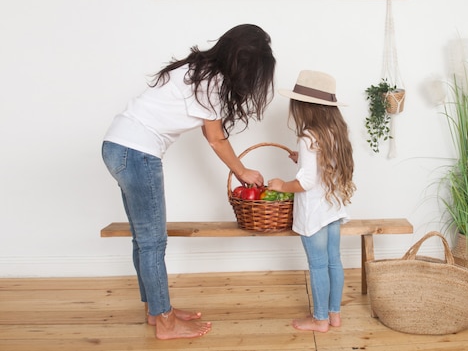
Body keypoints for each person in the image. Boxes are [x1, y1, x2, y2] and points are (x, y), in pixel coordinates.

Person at [101, 24, 276, 340]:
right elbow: (215, 138)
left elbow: (210, 131)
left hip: (117, 146)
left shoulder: (198, 70)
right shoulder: (211, 81)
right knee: (154, 242)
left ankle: (157, 311)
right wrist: (242, 171)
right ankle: (166, 323)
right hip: (137, 153)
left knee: (144, 240)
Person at [267, 70, 356, 333]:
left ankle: (319, 320)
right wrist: (302, 159)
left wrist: (282, 185)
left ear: (304, 107)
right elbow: (322, 168)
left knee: (317, 265)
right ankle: (334, 314)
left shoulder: (308, 137)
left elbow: (305, 183)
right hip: (332, 209)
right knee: (333, 261)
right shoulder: (335, 132)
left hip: (314, 214)